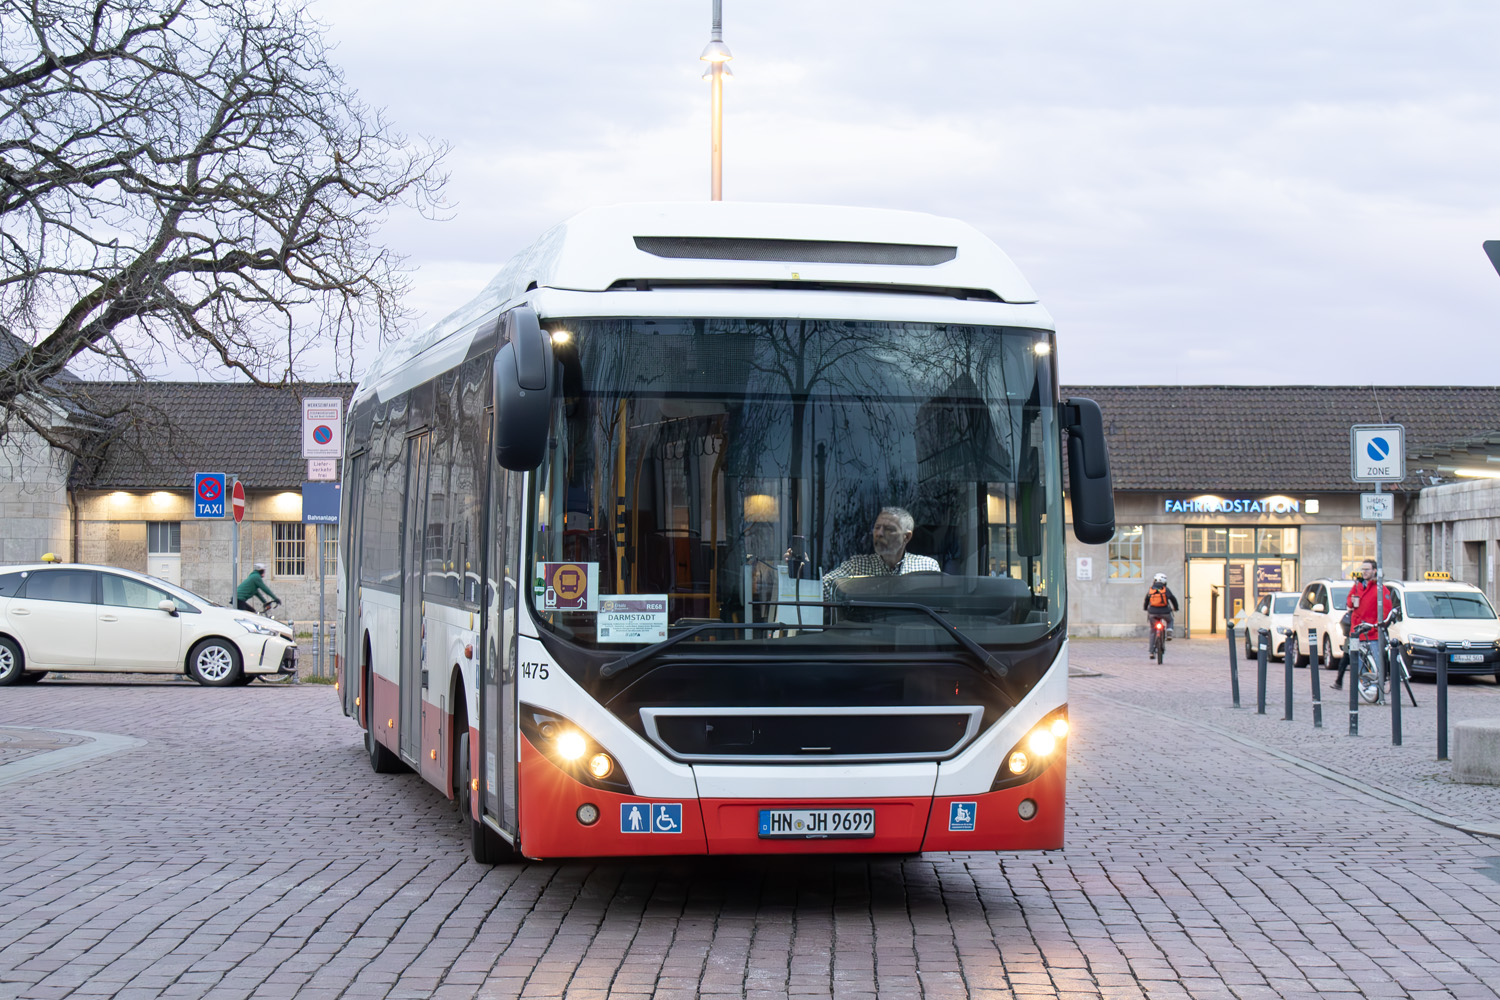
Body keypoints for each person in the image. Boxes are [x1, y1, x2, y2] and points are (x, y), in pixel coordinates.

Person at [821, 506, 940, 600]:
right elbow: (821, 590)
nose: (879, 534)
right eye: (877, 527)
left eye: (889, 529)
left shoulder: (927, 566)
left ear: (907, 537)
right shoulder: (856, 566)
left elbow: (937, 608)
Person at [1334, 558, 1392, 690]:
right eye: (1363, 569)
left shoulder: (1380, 589)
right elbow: (1349, 602)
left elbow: (1386, 609)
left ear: (1374, 571)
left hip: (1372, 632)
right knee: (1357, 662)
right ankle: (1365, 686)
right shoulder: (1357, 586)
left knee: (1377, 663)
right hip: (1356, 631)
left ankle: (1380, 686)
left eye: (1367, 569)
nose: (1364, 572)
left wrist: (1379, 623)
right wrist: (1351, 601)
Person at [1143, 573, 1178, 654]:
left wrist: (1145, 608)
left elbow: (1146, 600)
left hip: (1152, 613)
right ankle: (1169, 630)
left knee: (1153, 631)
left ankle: (1151, 652)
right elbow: (1173, 599)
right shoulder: (1166, 589)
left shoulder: (1151, 590)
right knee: (1170, 620)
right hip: (1165, 612)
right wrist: (1176, 608)